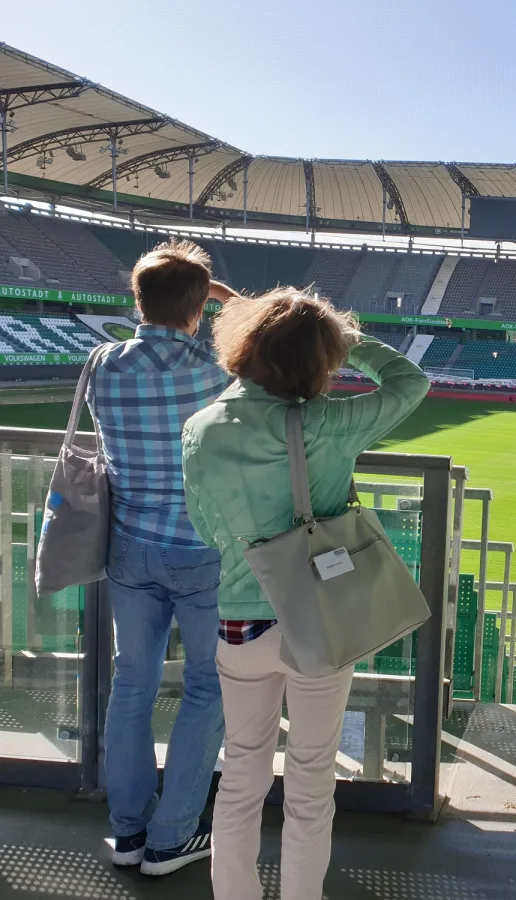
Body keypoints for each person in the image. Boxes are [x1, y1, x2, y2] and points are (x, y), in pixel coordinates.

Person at [181, 289, 430, 900]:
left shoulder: (201, 428)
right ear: (318, 358)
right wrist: (344, 335)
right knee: (311, 780)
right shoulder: (323, 423)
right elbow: (409, 382)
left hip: (240, 624)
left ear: (245, 344)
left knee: (240, 776)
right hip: (319, 617)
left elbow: (208, 531)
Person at [88, 239, 236, 875]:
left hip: (129, 549)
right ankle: (172, 837)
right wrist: (229, 301)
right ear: (199, 308)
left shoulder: (102, 364)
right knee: (208, 687)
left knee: (132, 684)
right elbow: (268, 338)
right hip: (201, 551)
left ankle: (127, 832)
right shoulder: (212, 367)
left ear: (137, 300)